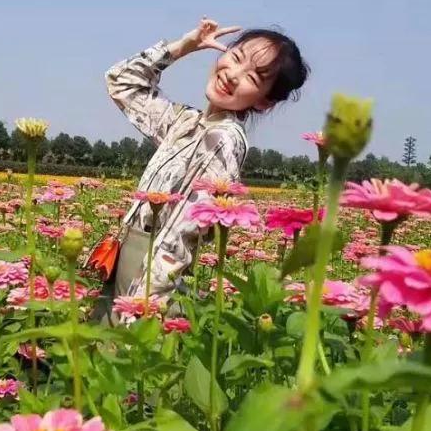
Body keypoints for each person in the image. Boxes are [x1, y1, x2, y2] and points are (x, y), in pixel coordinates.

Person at [100, 17, 309, 311]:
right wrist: (185, 46)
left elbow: (180, 236)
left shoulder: (222, 139)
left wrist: (140, 308)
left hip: (147, 280)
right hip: (126, 259)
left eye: (253, 77)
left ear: (264, 102)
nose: (233, 74)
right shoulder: (186, 123)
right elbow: (121, 81)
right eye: (236, 57)